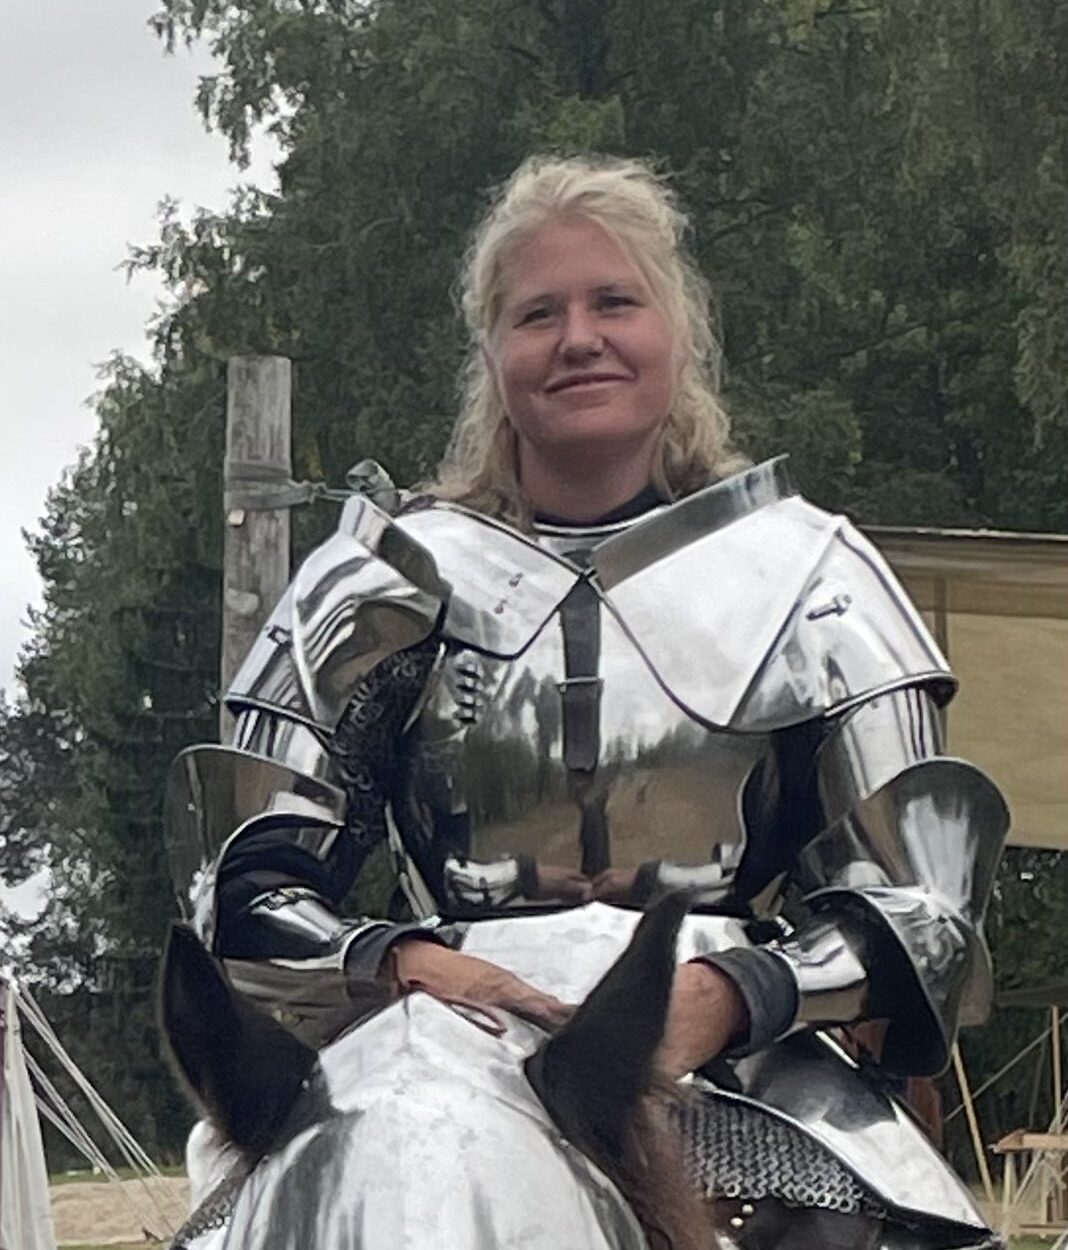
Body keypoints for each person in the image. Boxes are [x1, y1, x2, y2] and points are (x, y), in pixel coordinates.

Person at [166, 155, 1009, 1248]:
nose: (579, 338)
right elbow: (240, 884)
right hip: (433, 1052)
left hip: (745, 1071)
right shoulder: (376, 579)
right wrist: (407, 964)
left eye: (615, 301)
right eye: (538, 314)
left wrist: (733, 991)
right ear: (492, 353)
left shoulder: (814, 575)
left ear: (678, 334)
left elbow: (924, 906)